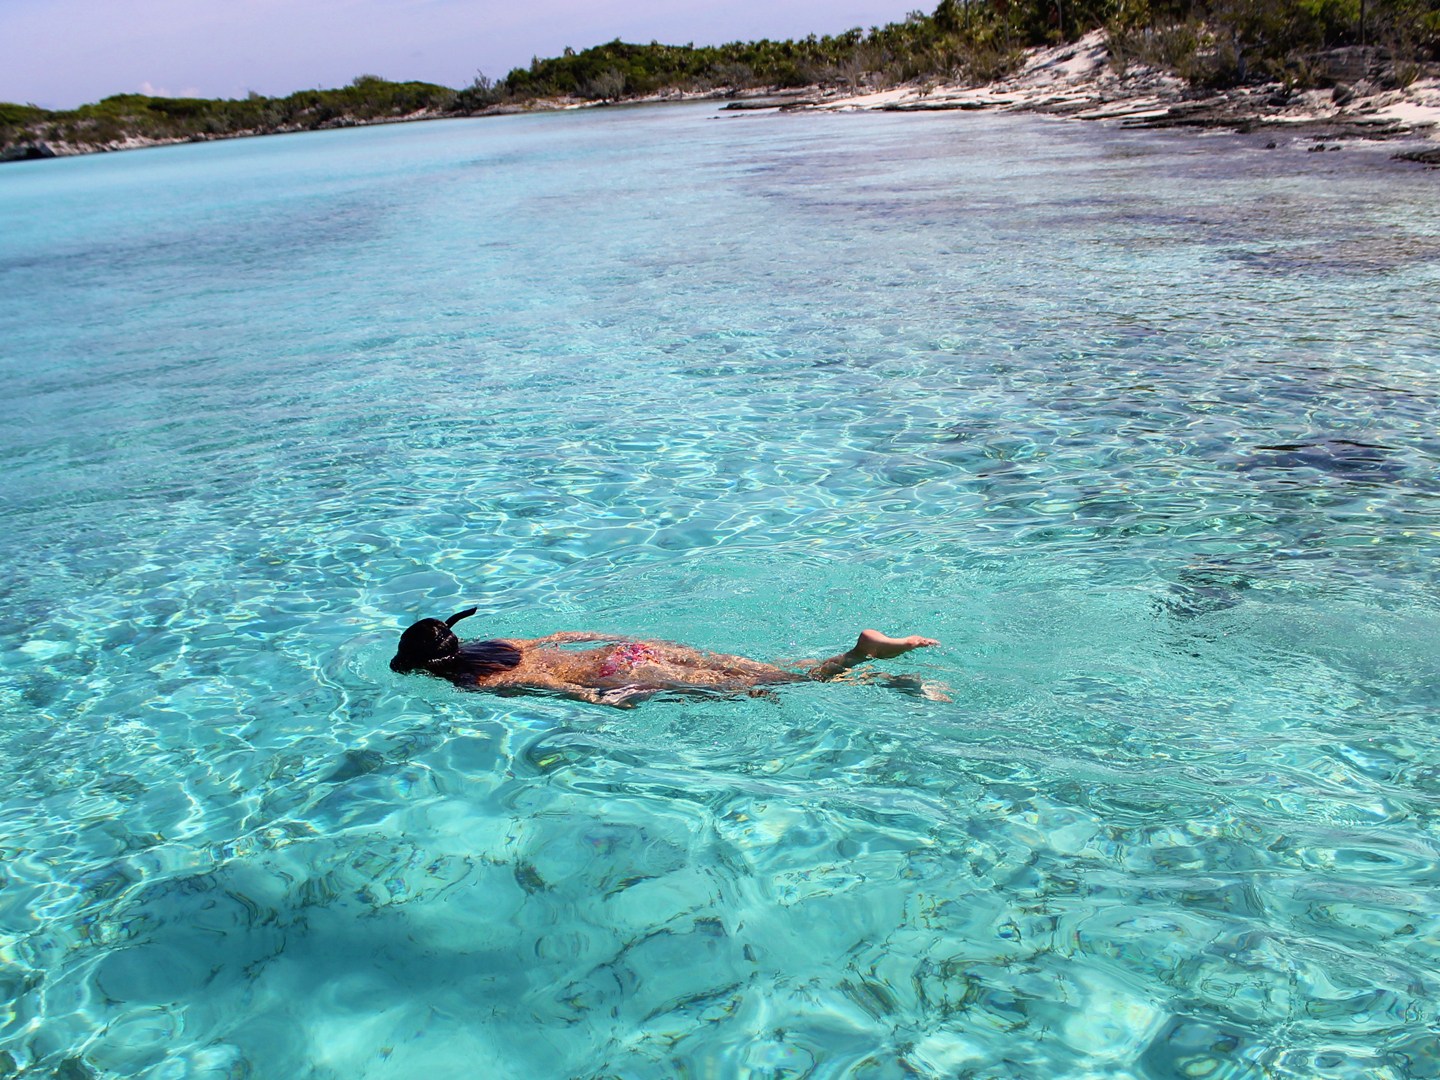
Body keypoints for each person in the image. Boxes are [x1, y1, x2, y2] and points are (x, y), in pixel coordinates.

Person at [390, 607, 943, 707]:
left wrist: (593, 696)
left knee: (778, 688)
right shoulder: (505, 644)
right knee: (763, 673)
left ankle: (861, 657)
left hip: (613, 671)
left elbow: (553, 686)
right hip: (629, 650)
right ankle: (889, 673)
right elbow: (567, 634)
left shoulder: (477, 681)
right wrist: (615, 636)